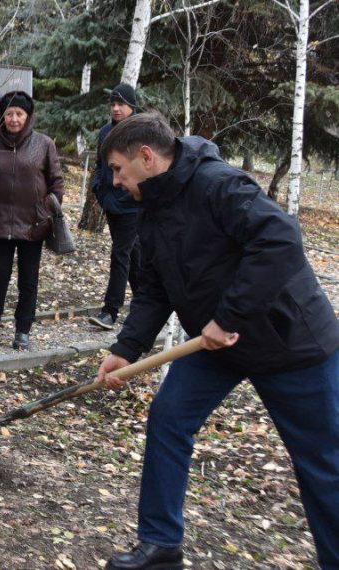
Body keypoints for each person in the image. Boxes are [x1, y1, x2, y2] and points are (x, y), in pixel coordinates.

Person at [95, 113, 339, 570]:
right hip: (217, 345)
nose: (115, 180)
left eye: (118, 169)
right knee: (169, 419)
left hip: (289, 342)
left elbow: (281, 239)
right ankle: (160, 543)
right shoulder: (153, 208)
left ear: (146, 157)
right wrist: (124, 349)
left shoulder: (218, 184)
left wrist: (227, 316)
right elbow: (154, 289)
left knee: (322, 462)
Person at [0, 91, 64, 351]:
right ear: (2, 115)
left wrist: (46, 209)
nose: (13, 119)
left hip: (33, 226)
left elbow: (57, 183)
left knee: (28, 280)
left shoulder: (44, 144)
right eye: (9, 113)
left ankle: (23, 331)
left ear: (28, 116)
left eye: (19, 114)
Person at [88, 83, 141, 330]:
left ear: (132, 106)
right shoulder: (105, 132)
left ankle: (110, 311)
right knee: (133, 254)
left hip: (134, 205)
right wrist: (99, 190)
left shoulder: (142, 132)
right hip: (111, 203)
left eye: (121, 104)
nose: (116, 109)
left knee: (121, 253)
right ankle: (146, 304)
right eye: (113, 104)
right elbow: (101, 164)